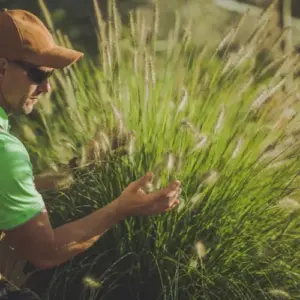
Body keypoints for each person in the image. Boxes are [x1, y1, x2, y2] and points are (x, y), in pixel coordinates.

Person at [0, 8, 181, 299]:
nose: (47, 87)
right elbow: (45, 252)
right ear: (2, 68)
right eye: (38, 74)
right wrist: (121, 208)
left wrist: (79, 169)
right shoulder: (5, 150)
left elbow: (9, 189)